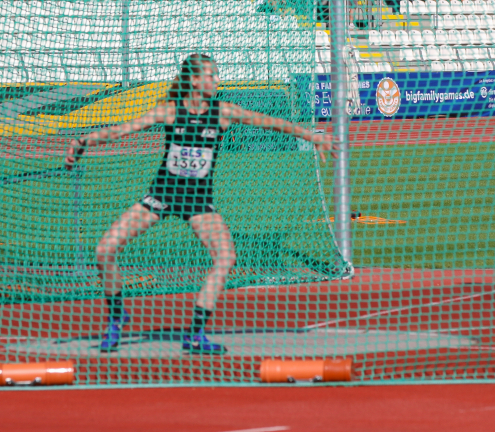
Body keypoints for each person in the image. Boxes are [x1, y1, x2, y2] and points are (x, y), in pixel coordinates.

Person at [63, 54, 334, 354]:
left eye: (216, 75)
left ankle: (195, 334)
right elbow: (121, 130)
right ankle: (117, 317)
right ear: (194, 80)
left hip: (198, 202)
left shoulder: (222, 112)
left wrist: (313, 136)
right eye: (211, 75)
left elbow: (271, 123)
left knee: (226, 257)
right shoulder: (170, 111)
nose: (216, 81)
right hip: (162, 195)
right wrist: (83, 141)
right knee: (104, 250)